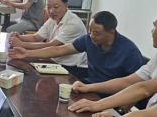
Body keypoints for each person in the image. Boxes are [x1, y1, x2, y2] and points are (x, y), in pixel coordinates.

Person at [10, 11, 143, 84]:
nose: (91, 36)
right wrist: (28, 53)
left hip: (111, 94)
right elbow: (60, 50)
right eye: (90, 30)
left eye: (96, 33)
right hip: (89, 85)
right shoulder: (88, 39)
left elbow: (138, 85)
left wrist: (121, 109)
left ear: (111, 33)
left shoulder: (130, 51)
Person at [9, 0, 88, 78]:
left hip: (73, 68)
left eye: (56, 7)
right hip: (56, 61)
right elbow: (36, 37)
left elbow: (52, 45)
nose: (51, 11)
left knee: (32, 76)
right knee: (24, 71)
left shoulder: (73, 23)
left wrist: (21, 44)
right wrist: (19, 36)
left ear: (66, 6)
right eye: (48, 7)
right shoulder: (52, 20)